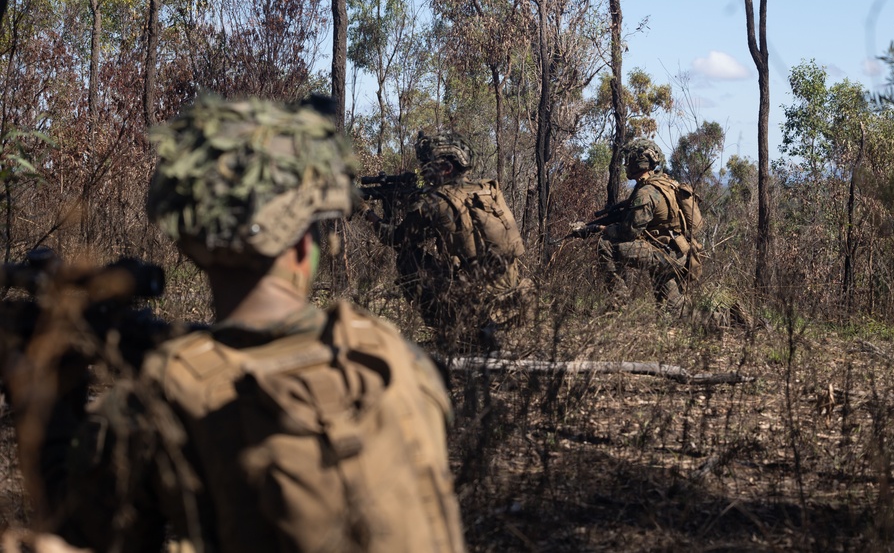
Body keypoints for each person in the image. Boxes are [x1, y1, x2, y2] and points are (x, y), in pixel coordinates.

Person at [6, 95, 467, 552]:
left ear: (191, 245)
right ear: (307, 249)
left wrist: (45, 387)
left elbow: (74, 531)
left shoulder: (156, 403)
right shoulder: (401, 360)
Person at [363, 131, 526, 353]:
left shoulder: (434, 202)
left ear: (447, 168)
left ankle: (451, 331)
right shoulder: (487, 191)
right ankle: (481, 329)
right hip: (510, 299)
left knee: (407, 257)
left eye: (428, 165)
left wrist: (367, 213)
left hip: (473, 302)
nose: (422, 171)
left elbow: (393, 238)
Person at [596, 137, 694, 310]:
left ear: (639, 161)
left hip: (664, 253)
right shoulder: (665, 182)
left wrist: (603, 229)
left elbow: (629, 233)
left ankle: (618, 305)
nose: (627, 164)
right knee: (676, 310)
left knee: (606, 245)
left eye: (630, 159)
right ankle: (722, 318)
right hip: (675, 252)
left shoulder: (647, 192)